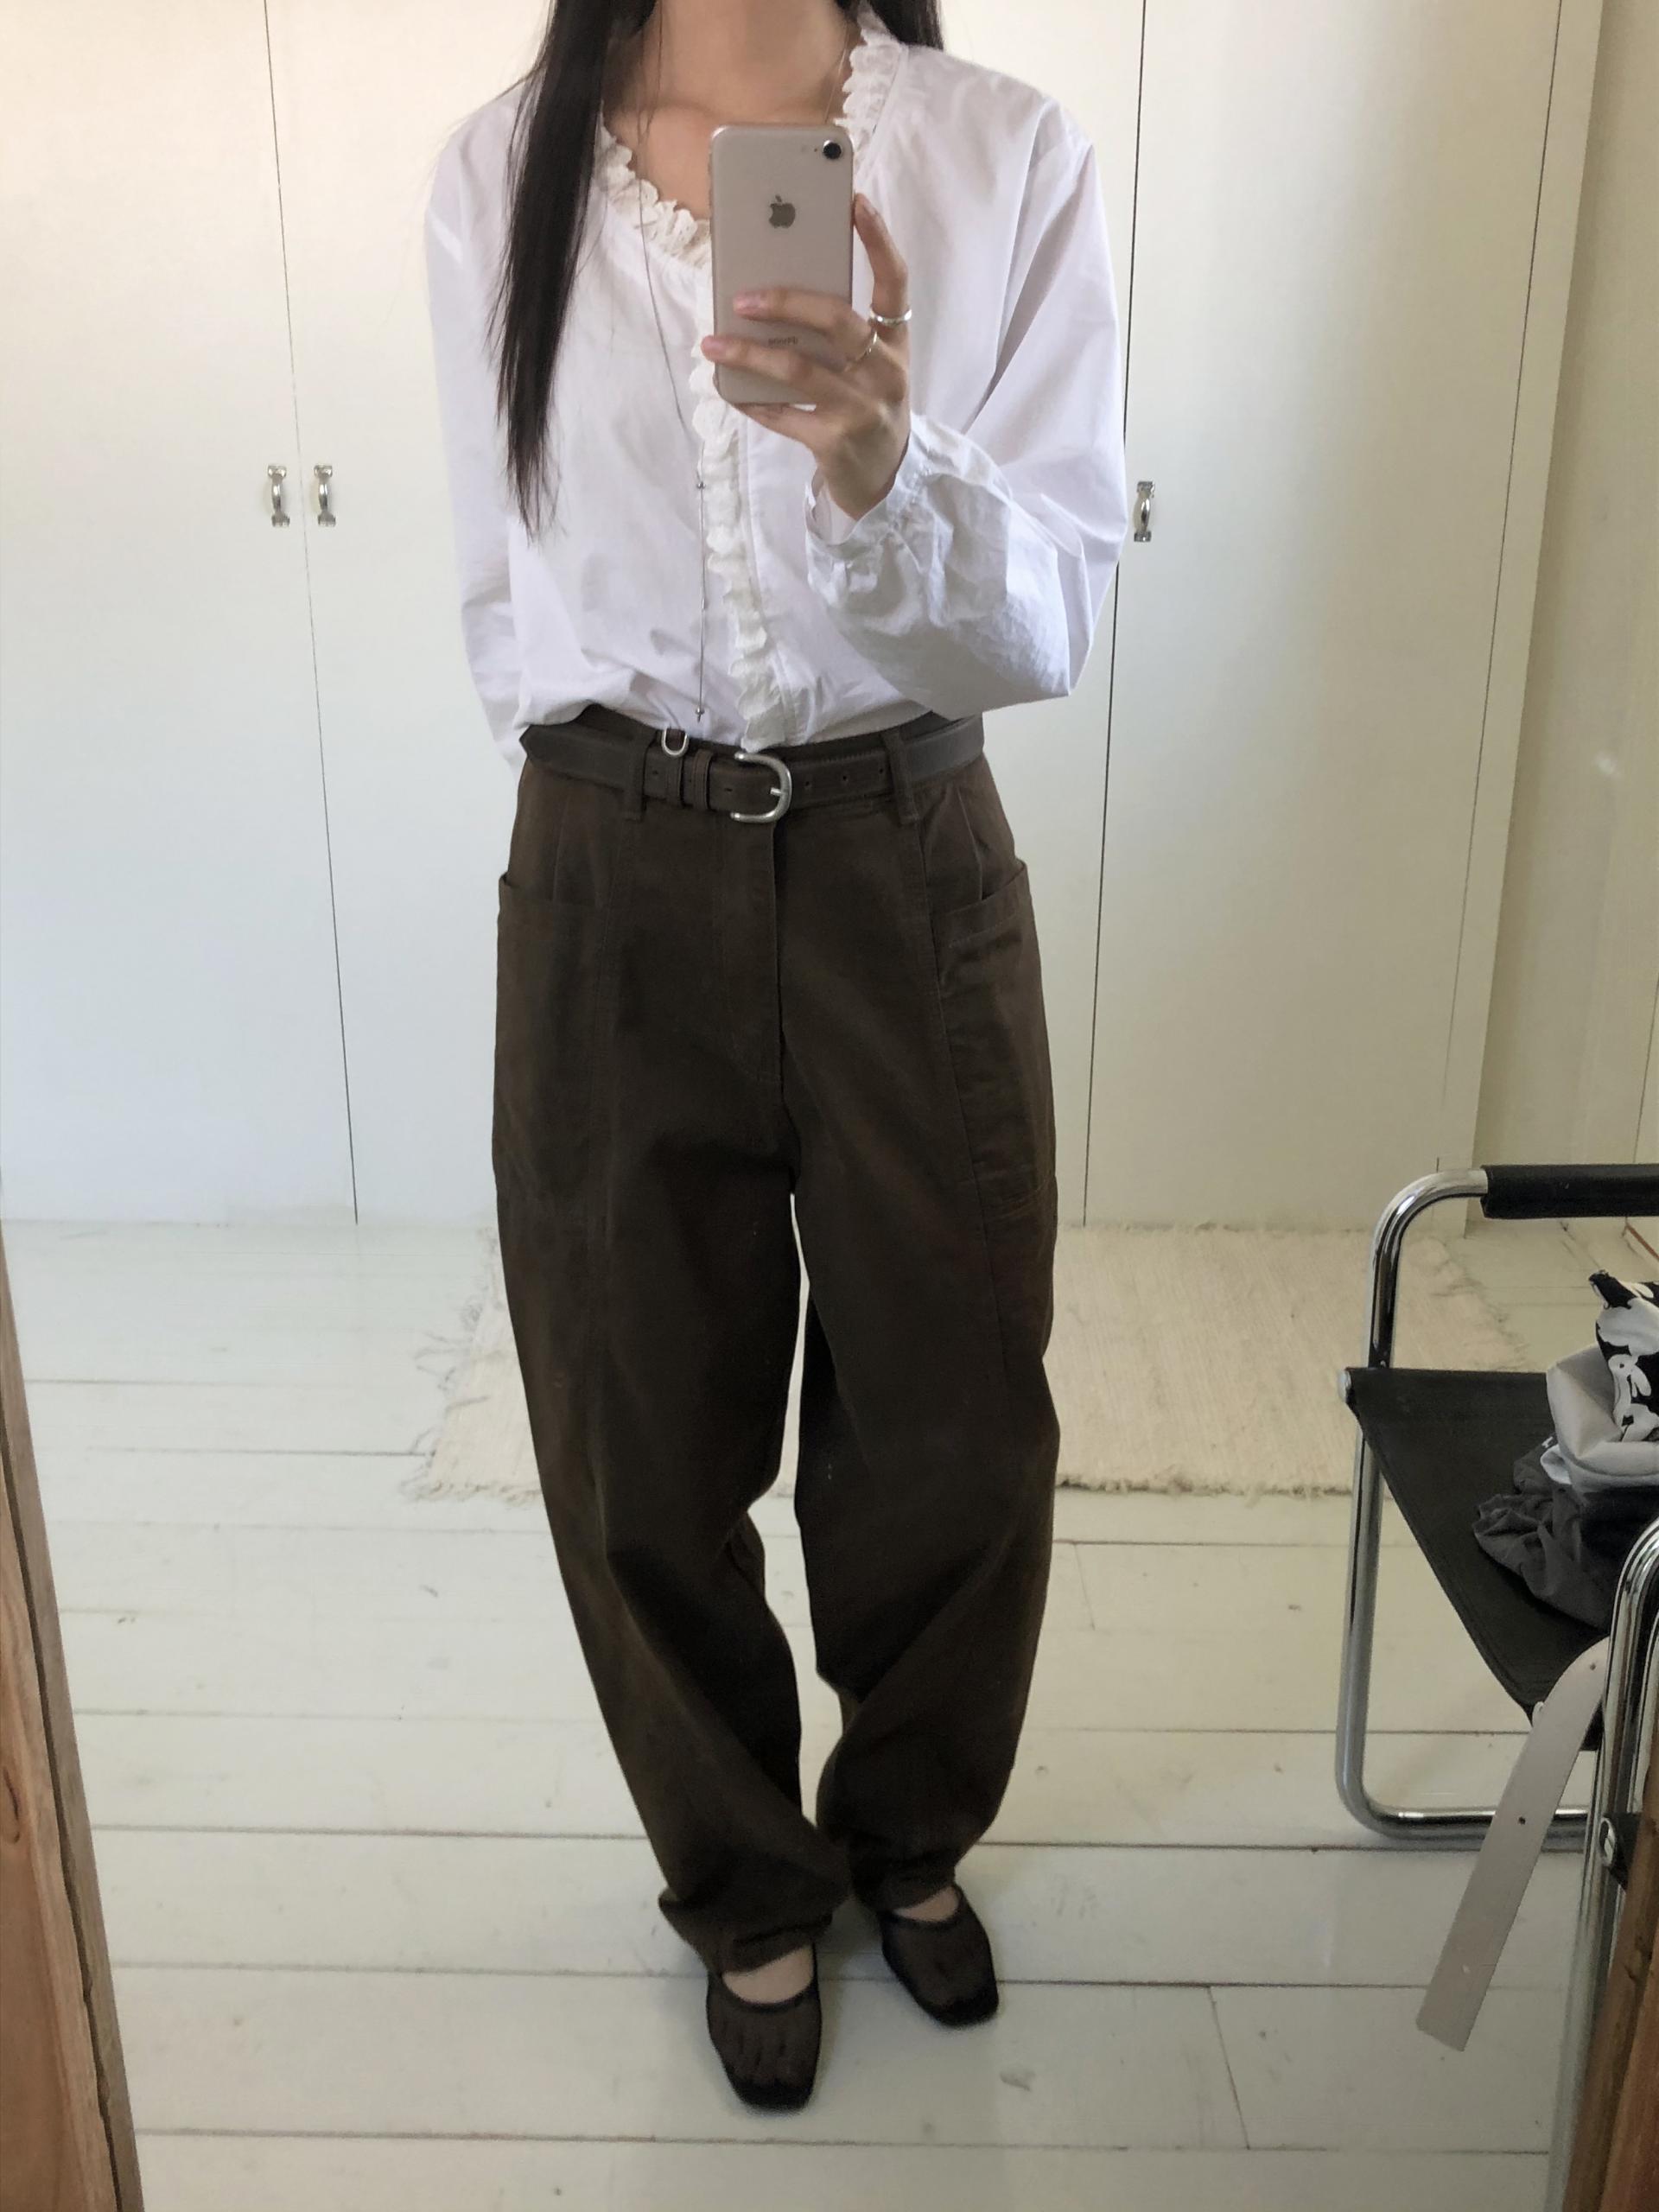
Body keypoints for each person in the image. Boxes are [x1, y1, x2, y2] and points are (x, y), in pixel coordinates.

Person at [424, 0, 1126, 2111]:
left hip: (904, 842)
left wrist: (885, 462)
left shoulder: (1002, 153)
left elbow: (1049, 618)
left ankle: (907, 1829)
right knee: (632, 1419)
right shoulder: (501, 172)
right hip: (612, 859)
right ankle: (741, 1872)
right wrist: (614, 803)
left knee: (955, 1403)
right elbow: (502, 575)